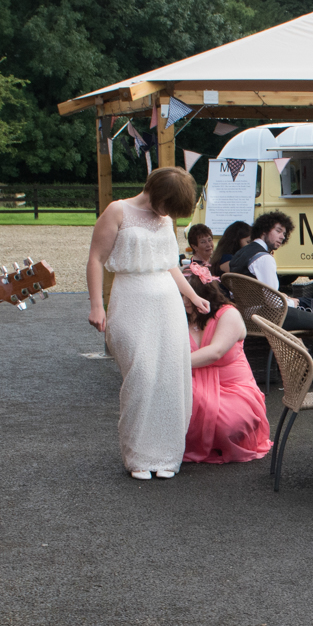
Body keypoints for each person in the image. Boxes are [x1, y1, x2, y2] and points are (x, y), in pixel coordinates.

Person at [86, 167, 210, 480]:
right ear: (155, 191)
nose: (168, 213)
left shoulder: (166, 217)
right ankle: (138, 455)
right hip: (131, 299)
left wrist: (193, 297)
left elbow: (170, 265)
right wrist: (96, 305)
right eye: (167, 204)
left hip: (167, 303)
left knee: (170, 376)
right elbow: (96, 259)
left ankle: (166, 455)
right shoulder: (118, 211)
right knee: (141, 373)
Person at [226, 210, 313, 381]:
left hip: (248, 317)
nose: (281, 237)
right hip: (269, 316)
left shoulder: (240, 255)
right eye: (278, 231)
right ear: (264, 230)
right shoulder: (263, 258)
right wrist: (291, 302)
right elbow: (273, 303)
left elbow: (246, 291)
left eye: (284, 234)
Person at [181, 266, 272, 464]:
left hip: (233, 388)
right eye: (181, 295)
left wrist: (173, 364)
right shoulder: (180, 318)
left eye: (190, 295)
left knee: (226, 424)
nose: (185, 301)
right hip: (193, 382)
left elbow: (216, 352)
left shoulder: (228, 314)